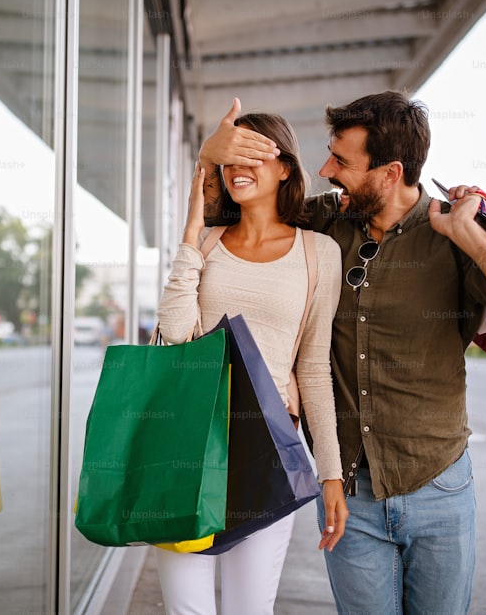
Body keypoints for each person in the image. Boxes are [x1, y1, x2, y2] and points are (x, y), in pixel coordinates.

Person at [199, 91, 486, 613]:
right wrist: (211, 154)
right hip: (350, 496)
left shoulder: (454, 235)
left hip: (438, 485)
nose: (326, 168)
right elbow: (224, 219)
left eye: (342, 161)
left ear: (390, 172)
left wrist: (471, 233)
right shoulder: (324, 224)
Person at [155, 105, 348, 615]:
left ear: (285, 166)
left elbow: (313, 370)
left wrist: (331, 473)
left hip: (268, 449)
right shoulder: (208, 242)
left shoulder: (319, 253)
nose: (238, 167)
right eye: (230, 158)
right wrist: (191, 232)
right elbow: (174, 338)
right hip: (189, 443)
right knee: (186, 609)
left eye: (254, 154)